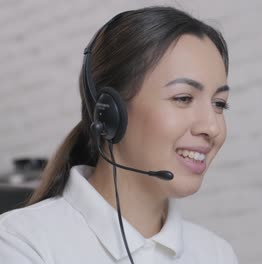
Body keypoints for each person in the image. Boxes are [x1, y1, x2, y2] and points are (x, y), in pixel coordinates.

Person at [0, 6, 237, 264]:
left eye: (219, 104)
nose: (212, 127)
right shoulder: (21, 243)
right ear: (110, 113)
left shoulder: (217, 254)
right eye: (183, 98)